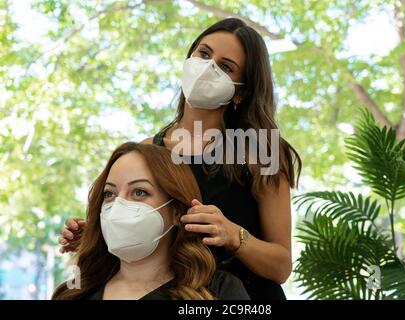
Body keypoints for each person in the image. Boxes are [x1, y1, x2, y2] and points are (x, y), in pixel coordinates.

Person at [59, 18, 301, 300]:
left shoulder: (260, 151)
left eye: (225, 66)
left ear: (242, 91)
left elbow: (281, 266)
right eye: (204, 53)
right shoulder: (151, 149)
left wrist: (234, 235)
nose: (207, 67)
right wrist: (105, 232)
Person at [53, 142, 249, 300]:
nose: (119, 206)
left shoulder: (218, 291)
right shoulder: (73, 293)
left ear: (177, 211)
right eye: (109, 194)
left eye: (139, 192)